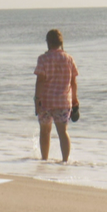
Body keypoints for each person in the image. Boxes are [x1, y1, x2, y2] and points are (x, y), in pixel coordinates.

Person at [33, 29, 79, 162]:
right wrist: (75, 100)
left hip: (46, 101)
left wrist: (37, 100)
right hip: (63, 102)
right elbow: (73, 82)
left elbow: (40, 81)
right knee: (63, 132)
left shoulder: (43, 59)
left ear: (48, 42)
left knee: (45, 131)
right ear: (60, 42)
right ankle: (65, 161)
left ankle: (44, 159)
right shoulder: (69, 59)